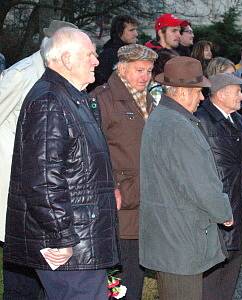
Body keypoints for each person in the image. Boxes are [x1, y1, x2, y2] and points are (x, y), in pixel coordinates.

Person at [3, 27, 119, 299]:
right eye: (89, 54)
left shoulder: (72, 97)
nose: (97, 61)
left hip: (80, 238)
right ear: (66, 60)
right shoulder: (50, 101)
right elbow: (42, 179)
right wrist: (60, 236)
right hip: (69, 245)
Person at [139, 56, 233, 300]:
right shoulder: (177, 125)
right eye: (199, 91)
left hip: (170, 235)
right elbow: (201, 184)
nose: (202, 97)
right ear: (182, 91)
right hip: (180, 240)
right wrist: (224, 212)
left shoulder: (162, 118)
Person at [0, 19, 77, 299]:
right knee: (21, 263)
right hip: (15, 181)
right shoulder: (21, 74)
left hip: (36, 184)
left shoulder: (53, 75)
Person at [91, 44, 158, 300]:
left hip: (144, 198)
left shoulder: (149, 99)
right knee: (117, 277)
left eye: (149, 71)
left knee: (134, 273)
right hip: (119, 200)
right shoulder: (102, 98)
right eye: (139, 70)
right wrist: (111, 186)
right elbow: (93, 150)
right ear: (121, 68)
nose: (145, 76)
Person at [195, 73, 242, 300]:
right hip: (216, 206)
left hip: (237, 201)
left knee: (232, 263)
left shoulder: (237, 120)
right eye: (237, 91)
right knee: (213, 269)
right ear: (220, 93)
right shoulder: (202, 121)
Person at [89, 15, 139, 91]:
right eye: (131, 30)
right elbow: (98, 86)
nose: (136, 34)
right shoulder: (108, 56)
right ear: (119, 33)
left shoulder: (134, 52)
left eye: (135, 30)